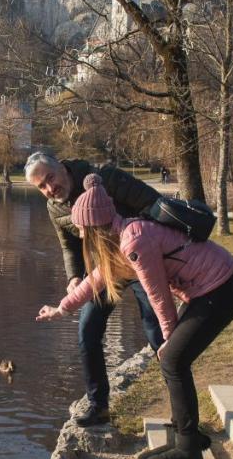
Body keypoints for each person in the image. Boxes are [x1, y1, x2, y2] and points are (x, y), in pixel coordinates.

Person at [36, 173, 233, 459]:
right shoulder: (123, 237)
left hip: (222, 288)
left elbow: (158, 296)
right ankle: (183, 437)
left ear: (96, 227)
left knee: (172, 358)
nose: (81, 236)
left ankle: (188, 450)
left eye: (83, 230)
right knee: (173, 358)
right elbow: (96, 279)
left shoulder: (134, 241)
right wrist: (61, 308)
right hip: (210, 290)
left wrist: (170, 337)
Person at [25, 152, 164, 426]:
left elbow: (154, 205)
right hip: (104, 270)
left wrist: (142, 243)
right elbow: (69, 246)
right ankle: (98, 405)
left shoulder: (107, 178)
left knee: (155, 330)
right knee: (87, 332)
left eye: (50, 178)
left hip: (140, 259)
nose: (50, 188)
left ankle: (178, 396)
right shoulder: (55, 207)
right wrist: (74, 277)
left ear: (62, 167)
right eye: (41, 186)